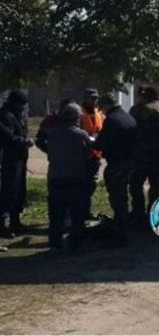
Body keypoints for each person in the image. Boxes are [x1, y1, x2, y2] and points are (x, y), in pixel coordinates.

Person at [37, 103, 92, 252]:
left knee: (56, 214)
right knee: (76, 214)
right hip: (76, 178)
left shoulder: (52, 133)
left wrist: (51, 153)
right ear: (77, 118)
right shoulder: (81, 135)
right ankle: (75, 244)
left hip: (56, 177)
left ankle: (55, 244)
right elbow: (89, 152)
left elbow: (41, 143)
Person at [129, 86, 159, 227]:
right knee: (156, 187)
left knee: (136, 185)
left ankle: (138, 214)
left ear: (144, 97)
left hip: (140, 155)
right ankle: (155, 218)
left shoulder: (138, 110)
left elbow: (131, 131)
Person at [94, 93, 137, 247]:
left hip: (117, 164)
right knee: (123, 198)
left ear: (107, 105)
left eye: (102, 108)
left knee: (118, 201)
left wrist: (93, 141)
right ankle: (123, 231)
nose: (101, 111)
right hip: (129, 162)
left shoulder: (112, 120)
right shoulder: (128, 117)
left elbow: (101, 143)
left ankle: (120, 235)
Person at [0, 90, 34, 238]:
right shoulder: (5, 116)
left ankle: (15, 221)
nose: (23, 108)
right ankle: (3, 224)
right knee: (9, 190)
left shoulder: (15, 114)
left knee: (19, 191)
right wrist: (24, 141)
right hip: (10, 159)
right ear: (15, 103)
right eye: (21, 104)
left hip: (19, 158)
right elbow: (8, 137)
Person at [79, 88, 104, 217]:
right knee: (81, 185)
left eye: (96, 98)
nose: (94, 101)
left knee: (91, 185)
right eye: (92, 98)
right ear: (85, 98)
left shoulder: (98, 112)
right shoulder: (78, 113)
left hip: (95, 155)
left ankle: (86, 211)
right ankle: (80, 212)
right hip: (82, 156)